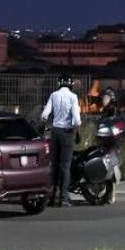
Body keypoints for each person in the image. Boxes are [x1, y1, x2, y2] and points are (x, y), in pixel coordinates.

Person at [41, 74, 82, 207]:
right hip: (67, 133)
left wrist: (46, 125)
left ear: (59, 83)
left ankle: (52, 197)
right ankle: (64, 198)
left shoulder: (54, 95)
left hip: (55, 132)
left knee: (54, 165)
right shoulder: (73, 97)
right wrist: (77, 132)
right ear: (70, 85)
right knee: (65, 166)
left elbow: (44, 115)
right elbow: (76, 120)